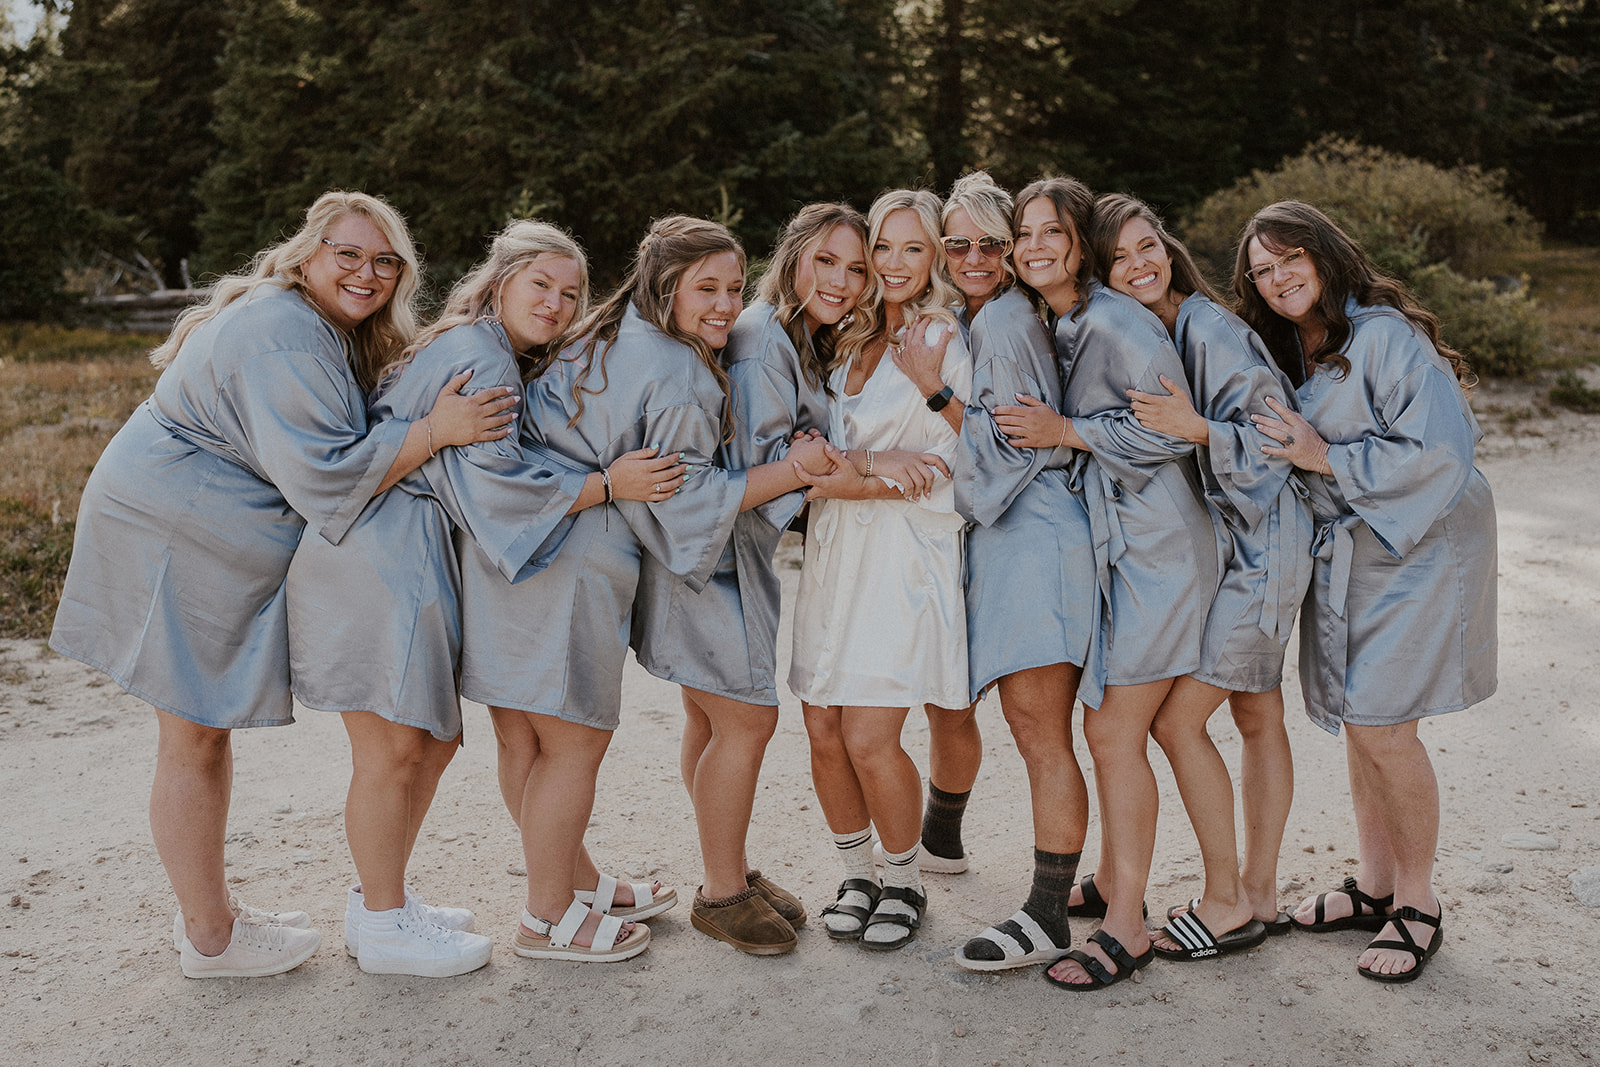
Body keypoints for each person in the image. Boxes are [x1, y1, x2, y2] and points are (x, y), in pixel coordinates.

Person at [48, 191, 517, 979]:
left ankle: (226, 919)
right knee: (192, 733)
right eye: (350, 254)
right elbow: (327, 477)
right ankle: (211, 938)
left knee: (199, 730)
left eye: (384, 261)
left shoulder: (311, 323)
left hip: (191, 519)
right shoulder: (287, 335)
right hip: (172, 527)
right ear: (308, 254)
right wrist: (436, 429)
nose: (367, 273)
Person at [285, 219, 684, 976]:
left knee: (428, 742)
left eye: (572, 294)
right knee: (391, 749)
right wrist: (608, 484)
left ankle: (393, 902)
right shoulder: (482, 357)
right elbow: (497, 488)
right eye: (542, 285)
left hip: (402, 546)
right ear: (500, 280)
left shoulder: (478, 344)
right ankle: (381, 920)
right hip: (383, 552)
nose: (559, 303)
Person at [461, 216, 826, 963]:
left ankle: (573, 883)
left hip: (514, 551)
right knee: (581, 741)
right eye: (707, 288)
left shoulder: (602, 330)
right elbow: (682, 501)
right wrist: (798, 470)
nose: (726, 304)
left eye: (733, 286)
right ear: (665, 285)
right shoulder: (677, 371)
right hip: (572, 558)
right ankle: (553, 914)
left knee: (527, 736)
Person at [1240, 200, 1497, 983]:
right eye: (1261, 269)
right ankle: (1374, 882)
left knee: (1386, 726)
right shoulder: (1294, 346)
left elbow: (1440, 456)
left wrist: (1324, 457)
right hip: (1351, 547)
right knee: (1361, 716)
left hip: (1423, 541)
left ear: (1323, 255)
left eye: (1290, 259)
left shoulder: (1384, 336)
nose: (1278, 277)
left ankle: (1418, 902)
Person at [995, 186, 1220, 991]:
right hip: (1120, 549)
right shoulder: (1058, 321)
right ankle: (1120, 881)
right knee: (1115, 730)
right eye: (1023, 234)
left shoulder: (1120, 321)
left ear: (1079, 244)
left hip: (1159, 546)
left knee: (1111, 731)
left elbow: (1167, 429)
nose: (1035, 246)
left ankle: (1130, 925)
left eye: (1052, 232)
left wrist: (1066, 432)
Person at [627, 206, 867, 955]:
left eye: (856, 269)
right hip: (713, 555)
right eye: (826, 261)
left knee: (709, 717)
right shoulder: (764, 340)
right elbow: (762, 470)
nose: (842, 280)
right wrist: (830, 469)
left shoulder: (775, 333)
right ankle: (721, 893)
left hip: (723, 550)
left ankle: (724, 865)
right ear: (794, 257)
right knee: (747, 719)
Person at [1088, 194, 1313, 962]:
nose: (1139, 264)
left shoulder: (1206, 328)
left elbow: (1278, 438)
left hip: (1267, 542)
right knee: (1256, 711)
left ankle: (1227, 902)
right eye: (1118, 257)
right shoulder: (1165, 329)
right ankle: (1262, 892)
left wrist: (1197, 430)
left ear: (1169, 246)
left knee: (1178, 721)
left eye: (1147, 245)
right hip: (1244, 539)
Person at [901, 172, 1095, 971]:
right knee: (994, 712)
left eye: (991, 242)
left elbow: (1012, 446)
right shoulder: (979, 315)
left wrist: (935, 391)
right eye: (960, 243)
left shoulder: (1010, 320)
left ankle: (1048, 913)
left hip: (1037, 534)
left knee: (1040, 731)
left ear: (1012, 251)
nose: (975, 255)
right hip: (1010, 536)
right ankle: (942, 838)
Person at [790, 188, 973, 952]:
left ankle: (905, 879)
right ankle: (857, 872)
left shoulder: (942, 338)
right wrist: (863, 469)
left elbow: (945, 467)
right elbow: (812, 461)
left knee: (869, 733)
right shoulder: (848, 336)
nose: (894, 266)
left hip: (903, 558)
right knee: (822, 726)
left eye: (913, 249)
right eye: (882, 251)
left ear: (934, 257)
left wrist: (838, 472)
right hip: (836, 554)